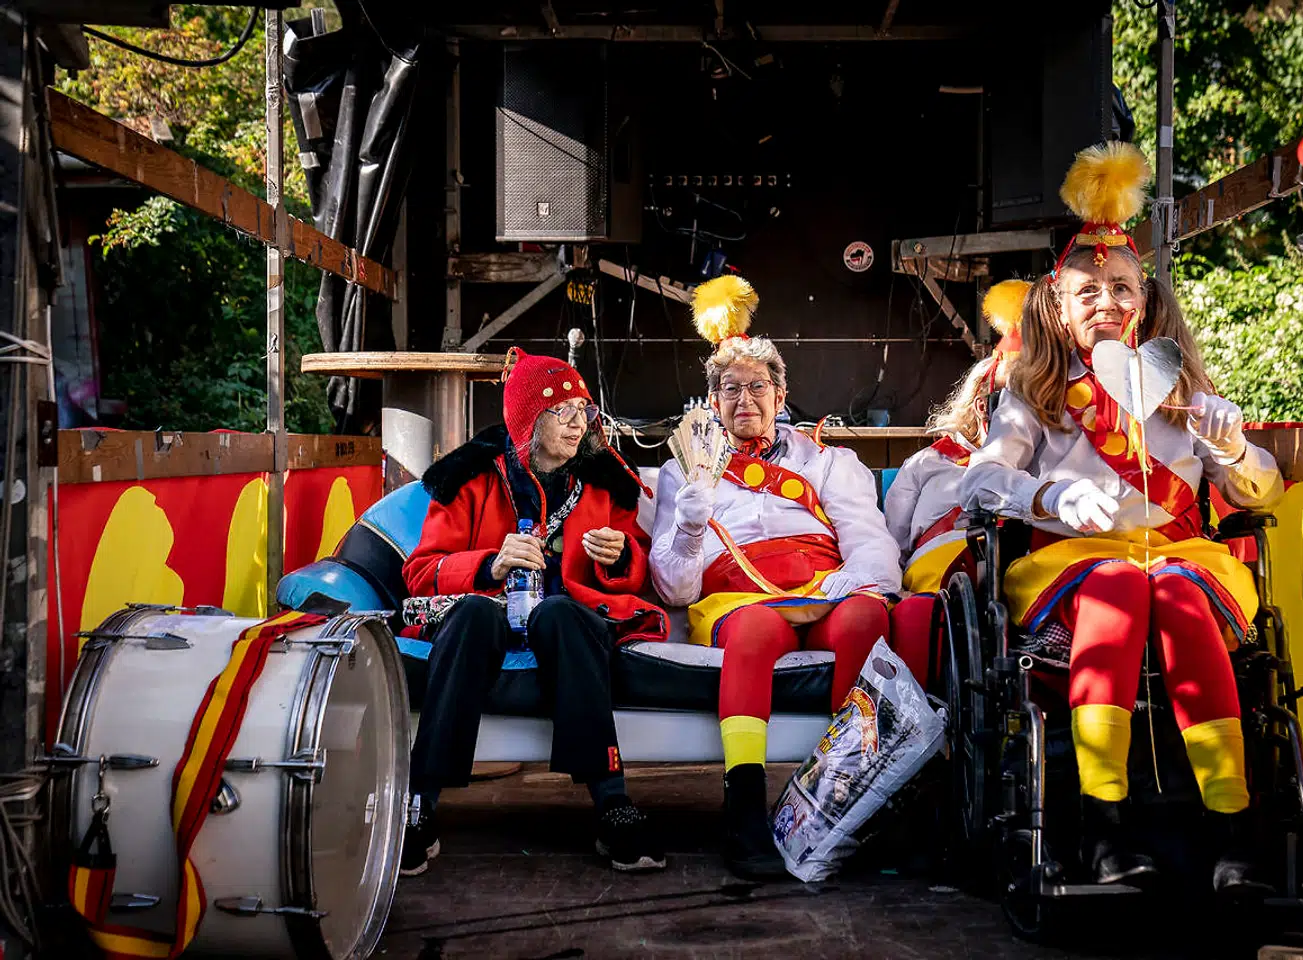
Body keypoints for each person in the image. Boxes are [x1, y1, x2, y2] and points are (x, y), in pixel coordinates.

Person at [957, 143, 1284, 893]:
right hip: (1073, 566)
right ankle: (1103, 826)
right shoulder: (1033, 393)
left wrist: (1235, 450)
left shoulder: (1184, 388)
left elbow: (1259, 497)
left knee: (1173, 594)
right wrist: (1050, 498)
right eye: (1088, 291)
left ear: (1146, 297)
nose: (1106, 301)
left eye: (1122, 288)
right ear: (1057, 305)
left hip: (1181, 564)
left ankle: (1232, 828)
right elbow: (981, 481)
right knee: (1116, 585)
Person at [648, 274, 902, 879]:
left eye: (758, 386)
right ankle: (743, 808)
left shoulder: (828, 460)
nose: (745, 399)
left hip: (824, 589)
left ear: (781, 395)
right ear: (713, 402)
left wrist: (858, 581)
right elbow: (674, 589)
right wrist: (689, 526)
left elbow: (868, 539)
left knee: (867, 617)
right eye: (730, 388)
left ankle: (845, 797)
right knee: (755, 631)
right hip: (739, 600)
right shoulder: (683, 471)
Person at [399, 349, 668, 876]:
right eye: (562, 410)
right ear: (528, 419)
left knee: (562, 615)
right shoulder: (470, 478)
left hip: (565, 621)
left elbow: (638, 569)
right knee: (474, 616)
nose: (578, 423)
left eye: (584, 410)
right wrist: (489, 564)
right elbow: (420, 572)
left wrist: (620, 557)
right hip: (486, 620)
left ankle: (612, 803)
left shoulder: (604, 482)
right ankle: (419, 803)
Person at [884, 280, 1029, 685]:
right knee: (914, 614)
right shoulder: (927, 462)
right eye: (1009, 402)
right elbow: (891, 542)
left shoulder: (1045, 463)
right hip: (933, 579)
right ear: (982, 405)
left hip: (1014, 574)